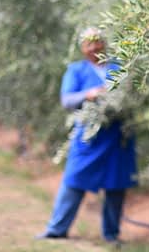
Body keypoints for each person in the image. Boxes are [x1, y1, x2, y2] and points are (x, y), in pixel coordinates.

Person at [36, 27, 137, 244]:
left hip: (118, 136)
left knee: (115, 185)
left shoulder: (120, 67)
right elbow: (67, 100)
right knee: (74, 180)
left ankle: (111, 235)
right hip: (89, 138)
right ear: (82, 48)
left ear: (104, 44)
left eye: (97, 43)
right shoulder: (76, 71)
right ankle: (56, 229)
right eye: (89, 44)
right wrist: (89, 94)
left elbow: (133, 94)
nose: (94, 48)